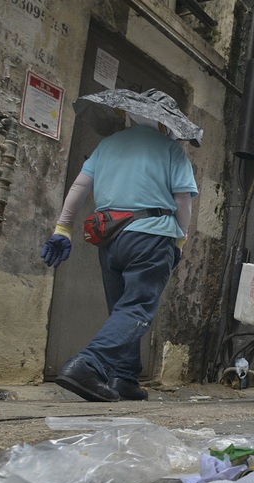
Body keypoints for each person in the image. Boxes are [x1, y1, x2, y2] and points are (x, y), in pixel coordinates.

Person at [39, 88, 200, 402]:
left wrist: (62, 228)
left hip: (109, 238)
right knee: (137, 309)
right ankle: (88, 365)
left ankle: (124, 378)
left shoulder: (107, 145)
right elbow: (183, 201)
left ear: (131, 113)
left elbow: (79, 188)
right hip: (152, 234)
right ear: (165, 123)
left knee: (122, 309)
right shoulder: (171, 150)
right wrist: (180, 238)